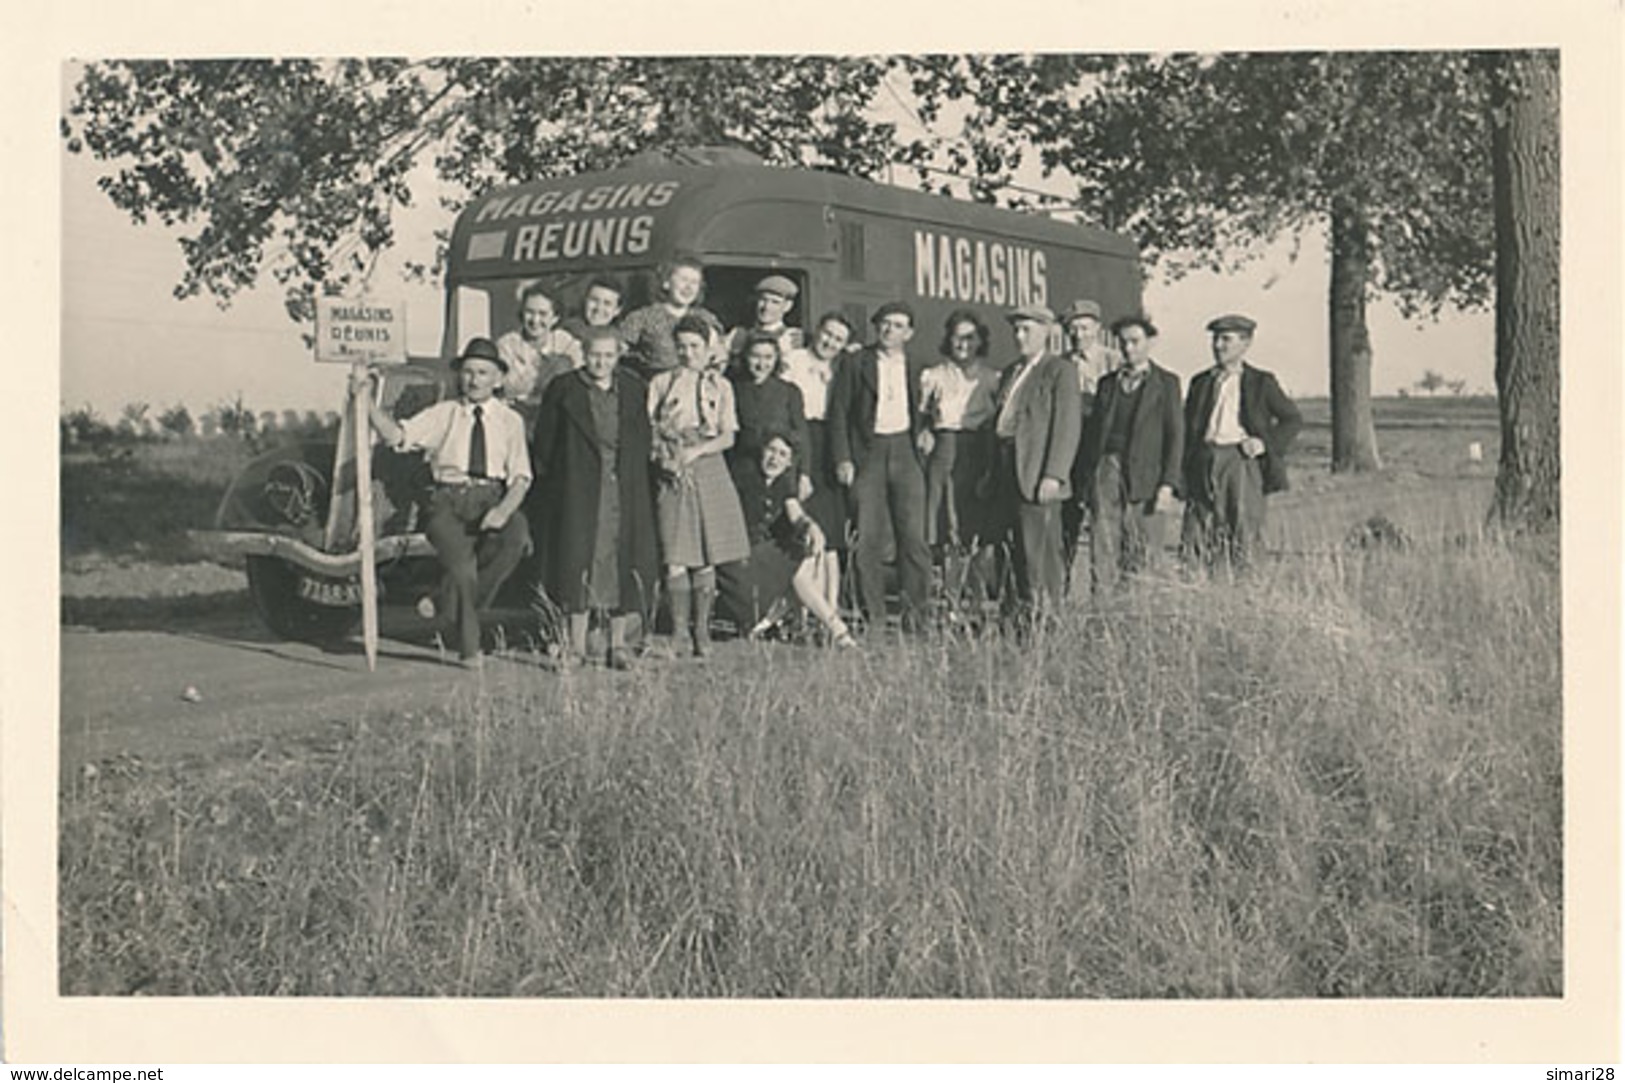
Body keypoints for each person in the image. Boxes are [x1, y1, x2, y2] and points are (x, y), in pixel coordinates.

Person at [350, 337, 532, 669]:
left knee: (517, 538)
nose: (474, 380)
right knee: (462, 569)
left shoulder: (510, 422)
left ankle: (445, 602)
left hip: (492, 497)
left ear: (498, 379)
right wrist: (365, 403)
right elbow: (398, 437)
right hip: (446, 501)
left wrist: (503, 511)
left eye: (482, 372)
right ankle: (469, 648)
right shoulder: (444, 413)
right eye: (468, 372)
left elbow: (521, 477)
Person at [529, 327, 659, 670]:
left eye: (608, 355)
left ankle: (618, 645)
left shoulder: (632, 388)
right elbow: (544, 443)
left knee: (622, 559)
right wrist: (562, 481)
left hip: (624, 484)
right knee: (578, 560)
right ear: (583, 355)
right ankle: (575, 647)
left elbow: (642, 436)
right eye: (594, 355)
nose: (601, 362)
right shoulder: (564, 389)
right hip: (579, 486)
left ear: (618, 356)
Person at [647, 314, 752, 657]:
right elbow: (649, 427)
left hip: (707, 464)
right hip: (672, 466)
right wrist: (666, 456)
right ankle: (678, 631)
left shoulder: (720, 386)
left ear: (708, 349)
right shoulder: (661, 383)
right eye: (681, 346)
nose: (688, 353)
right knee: (677, 552)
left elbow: (727, 436)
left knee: (706, 554)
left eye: (695, 346)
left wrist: (696, 451)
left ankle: (702, 631)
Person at [828, 301, 933, 632]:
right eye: (885, 324)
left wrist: (927, 430)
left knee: (913, 536)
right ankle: (872, 616)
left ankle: (915, 616)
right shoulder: (856, 361)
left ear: (909, 333)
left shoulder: (920, 365)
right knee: (867, 536)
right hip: (867, 453)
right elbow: (840, 413)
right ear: (876, 327)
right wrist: (843, 458)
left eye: (898, 325)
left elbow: (929, 409)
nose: (890, 330)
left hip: (905, 451)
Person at [1180, 313, 1303, 570]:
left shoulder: (1261, 382)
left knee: (1244, 529)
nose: (1218, 346)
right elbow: (1187, 427)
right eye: (1215, 339)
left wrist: (1264, 444)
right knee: (1198, 529)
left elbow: (1292, 419)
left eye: (1226, 339)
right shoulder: (1201, 382)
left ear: (1245, 343)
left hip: (1241, 462)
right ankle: (1201, 591)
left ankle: (1246, 593)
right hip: (1204, 460)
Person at [717, 432, 859, 649]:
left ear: (789, 462)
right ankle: (833, 628)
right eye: (771, 450)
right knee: (797, 567)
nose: (774, 458)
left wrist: (812, 527)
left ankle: (823, 627)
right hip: (738, 562)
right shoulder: (744, 476)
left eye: (782, 454)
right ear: (762, 451)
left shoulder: (783, 483)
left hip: (760, 558)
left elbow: (796, 513)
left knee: (804, 557)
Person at [1078, 315, 1184, 591]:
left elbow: (1176, 437)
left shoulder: (1167, 383)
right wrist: (1089, 479)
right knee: (1103, 544)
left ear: (1150, 342)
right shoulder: (1107, 384)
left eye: (1135, 341)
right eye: (1123, 343)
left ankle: (1138, 615)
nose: (1128, 349)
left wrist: (1168, 485)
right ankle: (1102, 613)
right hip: (1107, 470)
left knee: (1143, 549)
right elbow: (1093, 437)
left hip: (1146, 475)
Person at [989, 304, 1082, 617]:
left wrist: (1054, 474)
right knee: (1011, 551)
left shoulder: (1059, 370)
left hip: (1035, 473)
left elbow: (1067, 426)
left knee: (1040, 553)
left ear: (1047, 332)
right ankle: (1016, 619)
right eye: (1016, 330)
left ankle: (1049, 620)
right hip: (1006, 469)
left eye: (1027, 329)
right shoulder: (1011, 372)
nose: (1019, 336)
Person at [919, 309, 1001, 613]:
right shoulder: (933, 376)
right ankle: (951, 602)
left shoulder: (992, 378)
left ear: (980, 340)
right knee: (945, 526)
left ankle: (977, 601)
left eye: (970, 337)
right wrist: (926, 431)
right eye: (957, 337)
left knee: (973, 527)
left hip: (977, 449)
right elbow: (924, 416)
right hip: (944, 449)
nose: (963, 344)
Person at [779, 311, 856, 622]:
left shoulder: (843, 366)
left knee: (832, 531)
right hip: (799, 437)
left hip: (829, 443)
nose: (830, 342)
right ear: (817, 331)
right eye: (827, 334)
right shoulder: (793, 359)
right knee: (803, 525)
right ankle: (799, 611)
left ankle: (831, 606)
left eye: (838, 339)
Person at [1057, 298, 1122, 569]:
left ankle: (1105, 593)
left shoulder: (1113, 361)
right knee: (1065, 519)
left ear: (1097, 328)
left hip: (1101, 448)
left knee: (1104, 521)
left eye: (1084, 328)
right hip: (1070, 449)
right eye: (1072, 330)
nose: (1078, 335)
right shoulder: (1060, 364)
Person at [620, 254, 724, 382]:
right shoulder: (643, 318)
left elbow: (718, 357)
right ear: (666, 283)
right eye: (683, 280)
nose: (688, 287)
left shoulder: (706, 319)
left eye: (694, 282)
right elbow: (615, 350)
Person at [728, 330, 810, 488]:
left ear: (777, 358)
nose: (761, 364)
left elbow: (802, 435)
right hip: (744, 470)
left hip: (782, 472)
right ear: (745, 356)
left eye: (768, 357)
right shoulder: (733, 389)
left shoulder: (789, 391)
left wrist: (804, 474)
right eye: (755, 356)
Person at [496, 283, 583, 411]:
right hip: (515, 413)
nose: (535, 320)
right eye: (529, 312)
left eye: (543, 314)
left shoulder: (566, 343)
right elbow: (504, 388)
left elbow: (577, 384)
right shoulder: (507, 345)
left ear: (555, 318)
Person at [725, 274, 804, 368]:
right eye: (763, 300)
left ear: (788, 306)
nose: (766, 307)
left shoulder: (792, 338)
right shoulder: (738, 334)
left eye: (775, 302)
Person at [559, 275, 627, 349]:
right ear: (585, 301)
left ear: (617, 310)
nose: (599, 308)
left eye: (607, 303)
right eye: (594, 300)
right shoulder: (565, 334)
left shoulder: (621, 343)